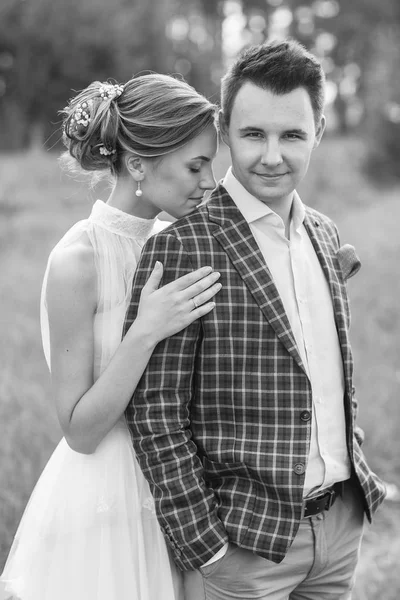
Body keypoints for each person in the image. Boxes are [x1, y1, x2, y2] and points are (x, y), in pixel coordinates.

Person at [123, 40, 387, 600]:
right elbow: (155, 412)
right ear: (225, 132)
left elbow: (329, 370)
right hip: (243, 547)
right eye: (253, 134)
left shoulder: (325, 233)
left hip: (338, 530)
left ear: (317, 127)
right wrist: (206, 546)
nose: (272, 155)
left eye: (291, 135)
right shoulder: (184, 247)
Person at [0, 74, 221, 600]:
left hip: (183, 493)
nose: (210, 181)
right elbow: (80, 429)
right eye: (196, 165)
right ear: (139, 164)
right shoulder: (77, 260)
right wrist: (144, 330)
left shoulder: (181, 244)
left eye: (210, 163)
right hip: (107, 499)